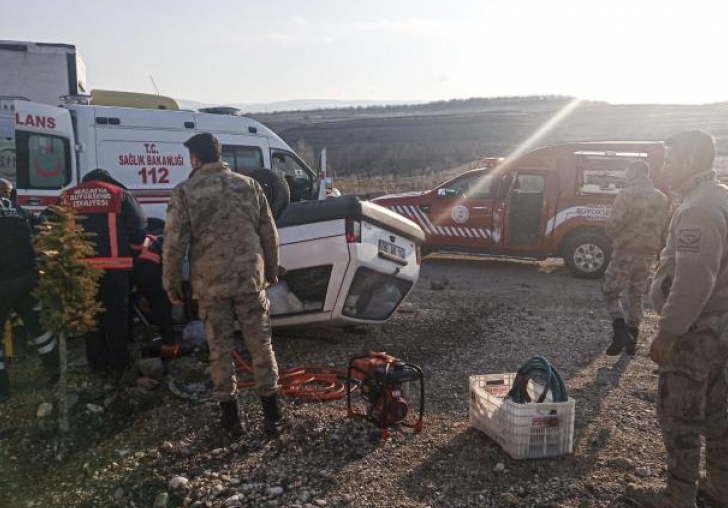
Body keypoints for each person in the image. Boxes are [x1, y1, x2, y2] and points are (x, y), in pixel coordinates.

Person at [626, 130, 728, 508]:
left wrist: (669, 332)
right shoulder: (719, 196)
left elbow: (695, 277)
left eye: (669, 160)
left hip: (698, 333)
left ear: (688, 161)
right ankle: (720, 489)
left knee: (681, 416)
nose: (664, 168)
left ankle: (678, 496)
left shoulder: (699, 208)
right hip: (719, 327)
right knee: (719, 415)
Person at [162, 132, 287, 438]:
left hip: (211, 285)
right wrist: (271, 270)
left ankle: (232, 422)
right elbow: (268, 232)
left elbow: (174, 243)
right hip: (249, 280)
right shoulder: (250, 186)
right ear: (220, 155)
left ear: (195, 158)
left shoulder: (185, 191)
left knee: (220, 351)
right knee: (261, 345)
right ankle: (273, 418)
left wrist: (172, 283)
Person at [62, 169, 147, 377]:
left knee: (90, 317)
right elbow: (139, 227)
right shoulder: (119, 194)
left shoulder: (67, 196)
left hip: (81, 269)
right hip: (115, 268)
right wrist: (134, 251)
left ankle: (97, 365)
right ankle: (119, 364)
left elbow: (50, 224)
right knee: (116, 316)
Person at [603, 160, 668, 355]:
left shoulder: (626, 194)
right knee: (636, 294)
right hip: (648, 253)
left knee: (610, 291)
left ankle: (620, 331)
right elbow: (664, 227)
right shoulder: (661, 197)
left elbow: (614, 222)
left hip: (626, 250)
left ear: (633, 173)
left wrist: (611, 234)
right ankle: (633, 338)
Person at [0, 191, 59, 402]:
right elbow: (45, 224)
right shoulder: (17, 210)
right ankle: (55, 371)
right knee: (39, 327)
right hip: (27, 279)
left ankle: (2, 390)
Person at [133, 235, 176, 348]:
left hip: (143, 264)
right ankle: (169, 342)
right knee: (161, 304)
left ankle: (168, 344)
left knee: (156, 303)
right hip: (150, 264)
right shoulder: (155, 241)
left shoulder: (152, 240)